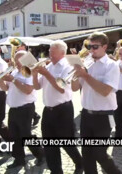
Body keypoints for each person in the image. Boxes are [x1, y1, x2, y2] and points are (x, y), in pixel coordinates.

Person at [72, 32, 122, 174]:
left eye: (95, 47)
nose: (91, 50)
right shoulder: (86, 63)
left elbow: (106, 90)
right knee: (87, 154)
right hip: (86, 115)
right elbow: (75, 88)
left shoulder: (111, 65)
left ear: (104, 47)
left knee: (99, 153)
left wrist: (85, 75)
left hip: (104, 116)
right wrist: (75, 73)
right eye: (89, 46)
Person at [32, 40, 83, 174]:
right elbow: (37, 87)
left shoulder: (67, 67)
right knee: (49, 146)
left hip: (63, 109)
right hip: (48, 110)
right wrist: (34, 73)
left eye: (52, 51)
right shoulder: (48, 67)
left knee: (67, 142)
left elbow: (61, 88)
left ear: (61, 53)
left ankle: (80, 163)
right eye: (49, 51)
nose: (49, 53)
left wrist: (46, 74)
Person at [0, 50, 44, 168]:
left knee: (26, 135)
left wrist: (13, 80)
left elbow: (28, 90)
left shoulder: (27, 72)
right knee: (14, 135)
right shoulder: (14, 72)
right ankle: (19, 159)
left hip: (25, 108)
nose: (17, 63)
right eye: (15, 60)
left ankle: (41, 154)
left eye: (20, 60)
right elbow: (5, 88)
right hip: (13, 108)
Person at [16, 41, 41, 126]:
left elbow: (28, 89)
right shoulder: (16, 70)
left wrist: (13, 80)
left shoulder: (27, 58)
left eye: (19, 46)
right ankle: (35, 115)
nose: (17, 47)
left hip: (26, 105)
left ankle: (35, 115)